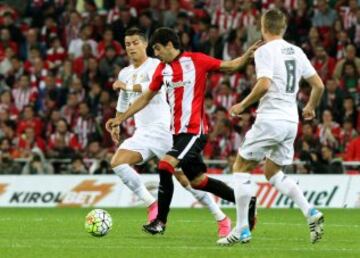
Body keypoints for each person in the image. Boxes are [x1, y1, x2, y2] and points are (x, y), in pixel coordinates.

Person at [109, 27, 261, 235]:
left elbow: (230, 66)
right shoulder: (163, 69)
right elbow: (146, 97)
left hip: (194, 130)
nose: (156, 53)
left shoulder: (196, 60)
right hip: (177, 133)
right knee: (198, 181)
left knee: (165, 165)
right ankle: (246, 200)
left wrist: (246, 55)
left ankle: (160, 220)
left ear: (170, 45)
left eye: (157, 48)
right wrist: (120, 118)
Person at [217, 9, 325, 246]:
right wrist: (310, 107)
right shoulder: (297, 51)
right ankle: (311, 212)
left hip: (270, 118)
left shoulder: (265, 51)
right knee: (272, 172)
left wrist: (242, 104)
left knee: (240, 166)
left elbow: (264, 84)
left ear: (262, 27)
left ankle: (243, 228)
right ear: (284, 28)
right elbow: (318, 85)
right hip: (290, 122)